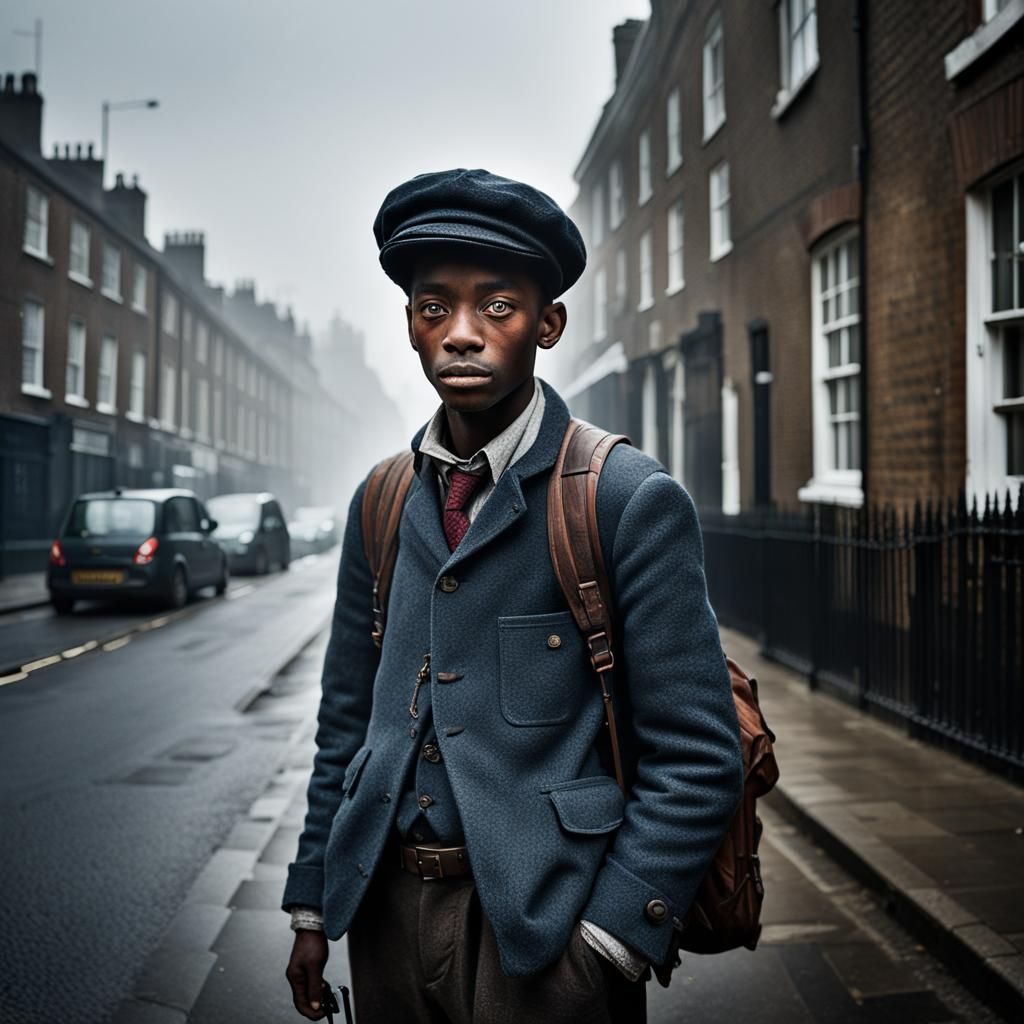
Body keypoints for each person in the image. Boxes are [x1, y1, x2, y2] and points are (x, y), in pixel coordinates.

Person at [283, 168, 744, 1023]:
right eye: (434, 307)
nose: (461, 333)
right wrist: (313, 904)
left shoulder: (623, 497)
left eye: (496, 305)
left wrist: (608, 943)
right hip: (381, 919)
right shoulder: (381, 500)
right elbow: (347, 723)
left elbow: (698, 756)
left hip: (544, 940)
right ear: (412, 325)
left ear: (548, 322)